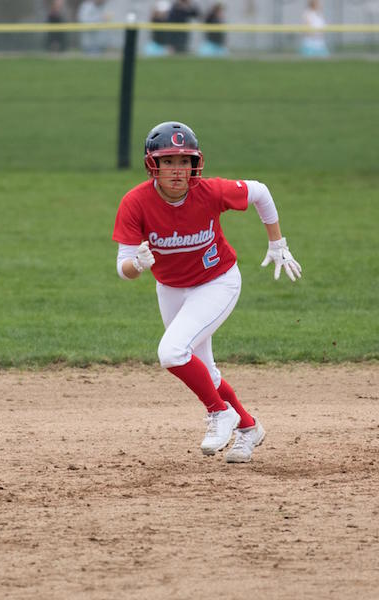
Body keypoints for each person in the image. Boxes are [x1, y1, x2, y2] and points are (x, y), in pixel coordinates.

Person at [112, 121, 302, 463]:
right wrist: (137, 266)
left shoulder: (210, 191)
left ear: (195, 164)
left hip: (218, 282)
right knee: (204, 370)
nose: (176, 169)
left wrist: (277, 242)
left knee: (171, 352)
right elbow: (123, 269)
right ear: (151, 164)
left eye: (184, 161)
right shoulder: (135, 202)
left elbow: (259, 191)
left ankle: (220, 412)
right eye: (168, 161)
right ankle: (248, 427)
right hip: (171, 288)